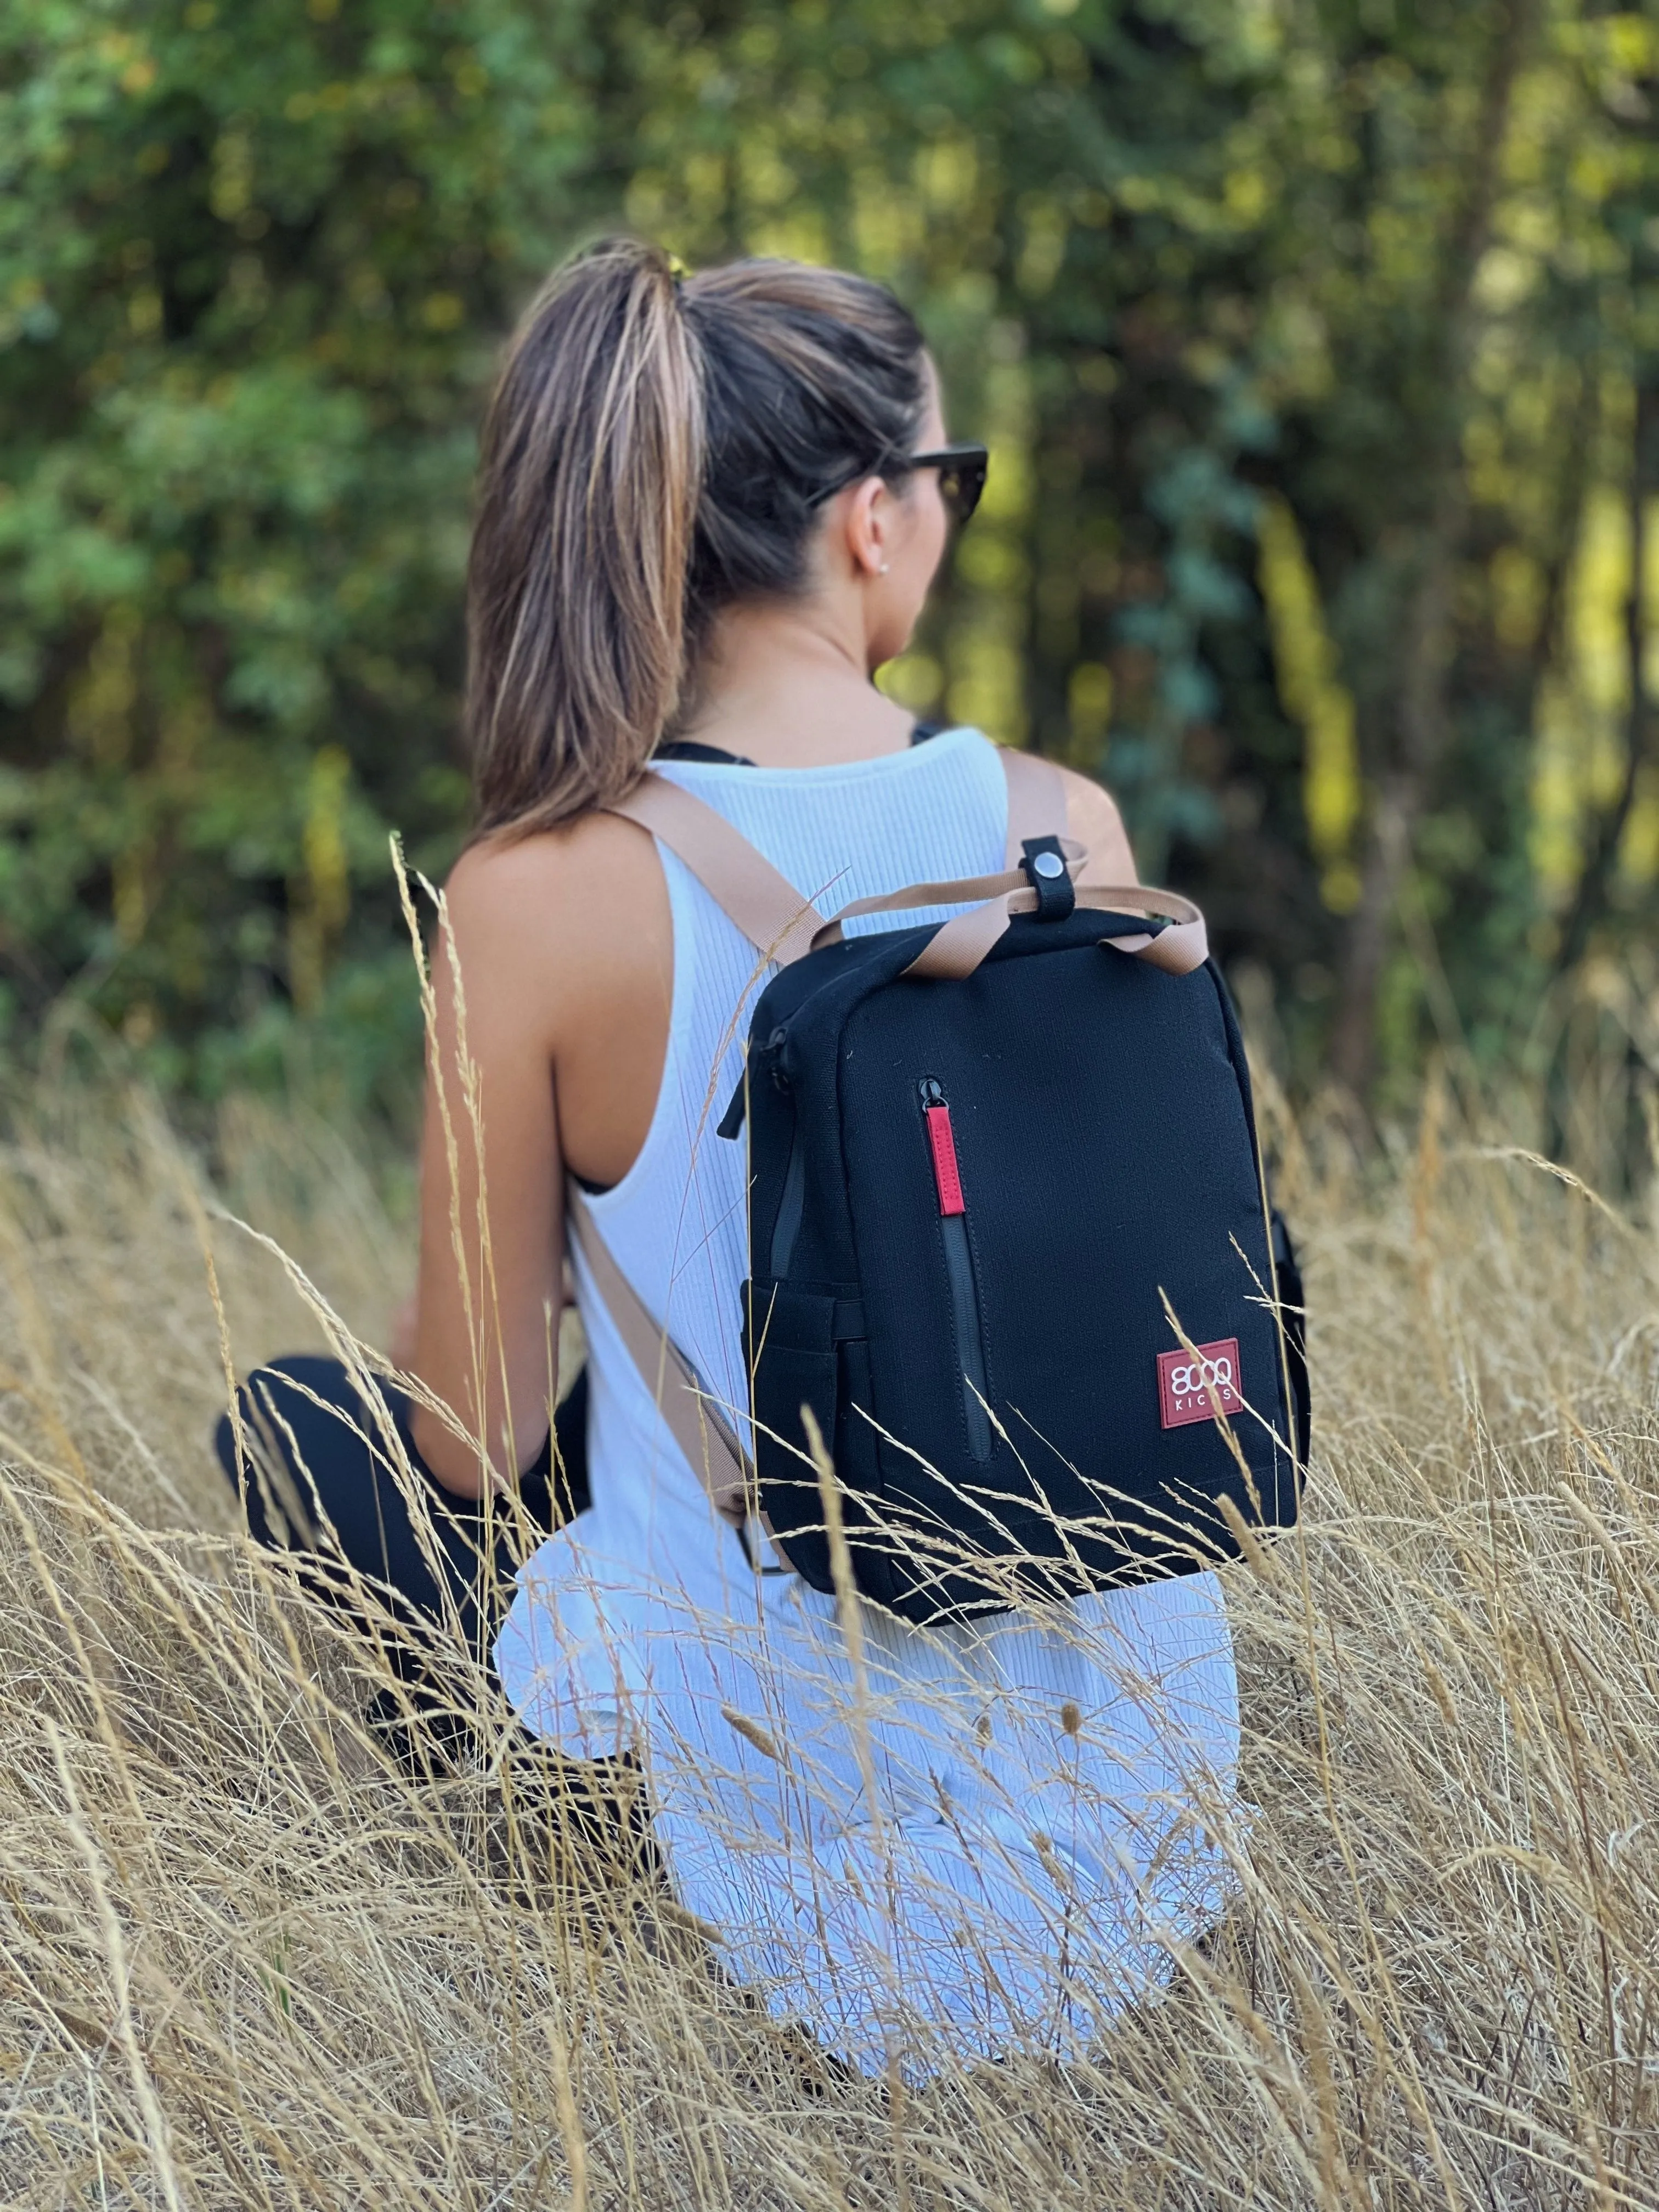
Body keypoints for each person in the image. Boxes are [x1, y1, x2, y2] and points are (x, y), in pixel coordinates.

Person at [219, 239, 1241, 2074]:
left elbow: (469, 1434)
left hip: (782, 1867)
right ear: (871, 521)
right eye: (953, 481)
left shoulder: (535, 898)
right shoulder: (1058, 829)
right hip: (1134, 1828)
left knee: (308, 1425)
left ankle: (592, 1911)